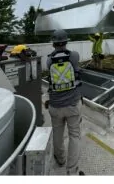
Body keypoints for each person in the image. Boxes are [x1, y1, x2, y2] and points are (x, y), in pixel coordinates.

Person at [46, 29, 85, 176]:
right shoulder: (74, 55)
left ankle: (60, 159)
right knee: (74, 135)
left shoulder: (49, 59)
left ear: (53, 43)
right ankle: (72, 170)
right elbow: (77, 71)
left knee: (57, 133)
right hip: (72, 105)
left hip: (55, 105)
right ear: (66, 41)